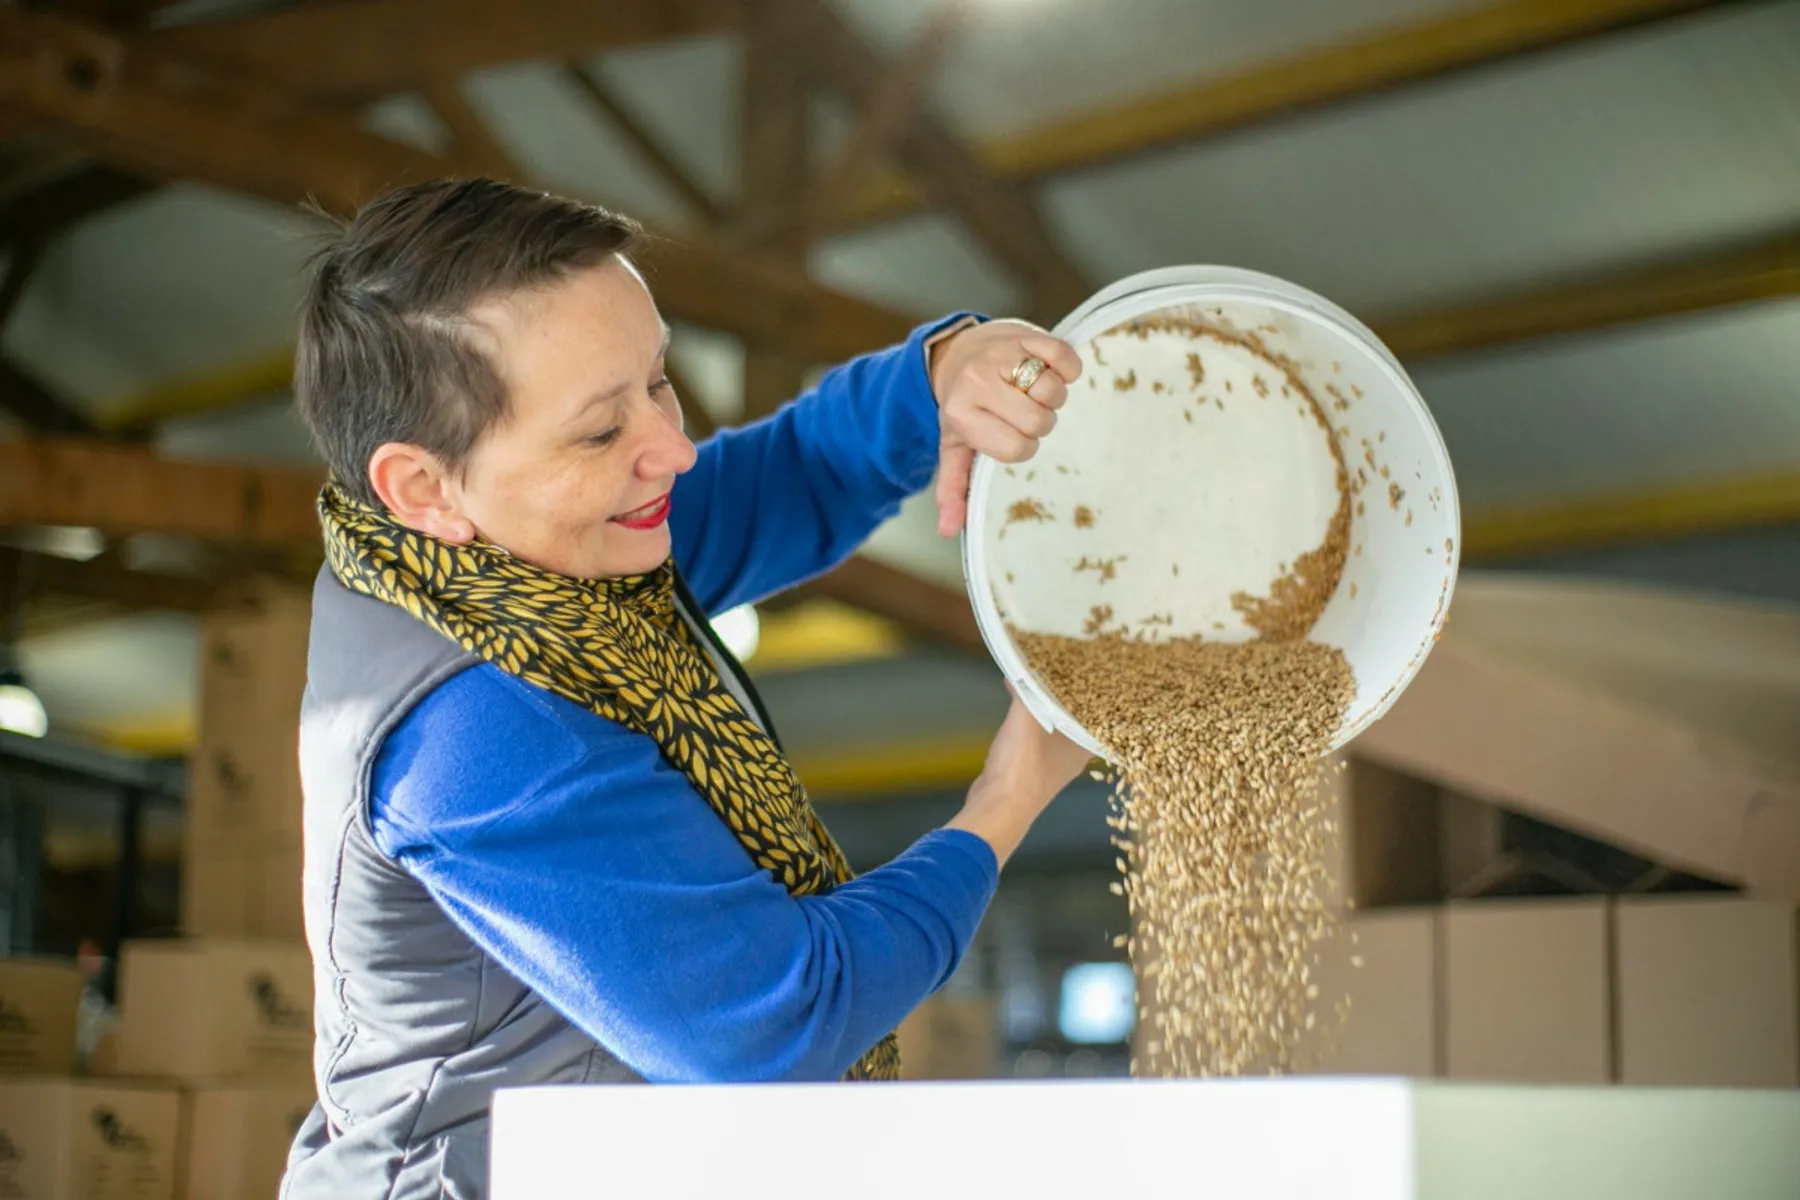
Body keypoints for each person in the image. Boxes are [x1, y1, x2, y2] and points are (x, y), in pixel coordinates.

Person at [280, 178, 1090, 1199]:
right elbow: (776, 1026)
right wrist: (1006, 802)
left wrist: (939, 376)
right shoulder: (478, 733)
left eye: (656, 381)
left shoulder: (530, 551)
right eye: (598, 431)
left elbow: (785, 476)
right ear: (424, 489)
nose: (673, 450)